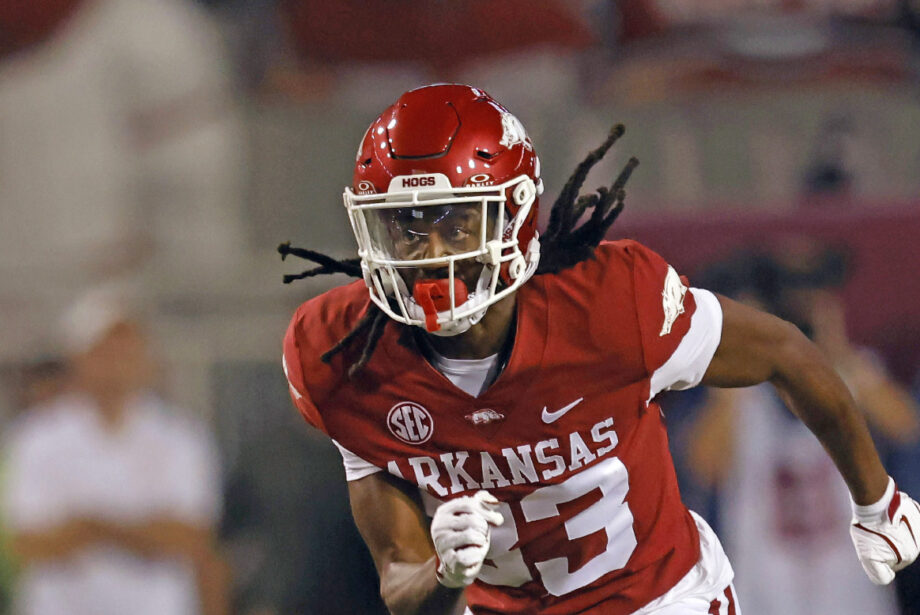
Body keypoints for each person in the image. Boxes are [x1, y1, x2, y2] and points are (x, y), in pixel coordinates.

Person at [280, 84, 920, 615]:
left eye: (454, 221)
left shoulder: (610, 304)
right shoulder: (340, 356)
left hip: (659, 599)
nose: (431, 254)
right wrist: (444, 574)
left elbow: (786, 352)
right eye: (406, 226)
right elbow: (400, 582)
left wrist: (877, 500)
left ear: (513, 215)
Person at [686, 250, 919, 615]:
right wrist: (746, 345)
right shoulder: (739, 393)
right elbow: (704, 465)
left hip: (853, 598)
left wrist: (832, 355)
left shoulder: (851, 376)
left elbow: (905, 426)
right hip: (766, 600)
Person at [1, 287, 230, 615]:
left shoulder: (181, 437)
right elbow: (30, 543)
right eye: (105, 352)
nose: (117, 363)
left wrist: (90, 527)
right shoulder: (36, 437)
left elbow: (190, 538)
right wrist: (143, 533)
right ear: (78, 358)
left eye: (127, 349)